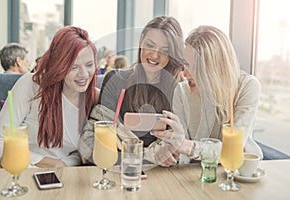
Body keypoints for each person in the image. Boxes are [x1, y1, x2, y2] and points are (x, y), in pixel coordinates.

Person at [0, 26, 99, 168]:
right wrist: (51, 163)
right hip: (21, 170)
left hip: (65, 174)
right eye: (73, 67)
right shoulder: (31, 85)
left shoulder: (95, 97)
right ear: (59, 66)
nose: (84, 74)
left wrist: (63, 165)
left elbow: (82, 153)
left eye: (89, 65)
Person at [152, 25, 263, 163]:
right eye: (185, 64)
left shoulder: (247, 87)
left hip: (240, 171)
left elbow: (234, 149)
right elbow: (182, 149)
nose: (184, 74)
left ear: (214, 67)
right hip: (198, 173)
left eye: (194, 67)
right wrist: (172, 155)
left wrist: (186, 146)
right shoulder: (181, 91)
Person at [96, 16, 185, 167]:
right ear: (141, 41)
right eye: (150, 45)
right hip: (121, 170)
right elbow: (101, 139)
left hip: (164, 175)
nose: (155, 55)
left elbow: (178, 147)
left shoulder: (179, 90)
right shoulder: (115, 81)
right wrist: (149, 156)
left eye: (164, 50)